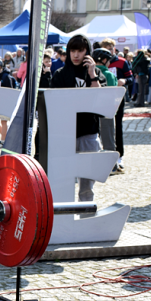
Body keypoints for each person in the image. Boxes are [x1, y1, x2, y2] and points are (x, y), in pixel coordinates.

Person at [50, 34, 106, 202]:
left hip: (88, 130)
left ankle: (86, 216)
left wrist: (92, 74)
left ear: (87, 52)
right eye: (73, 51)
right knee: (63, 178)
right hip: (65, 132)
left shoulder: (95, 73)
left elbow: (101, 98)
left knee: (87, 181)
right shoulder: (60, 74)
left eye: (80, 51)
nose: (76, 55)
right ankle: (64, 214)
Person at [100, 38, 133, 172]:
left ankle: (119, 156)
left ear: (114, 49)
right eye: (106, 49)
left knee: (117, 126)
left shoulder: (122, 62)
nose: (108, 51)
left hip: (117, 97)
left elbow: (131, 78)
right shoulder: (99, 63)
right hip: (102, 98)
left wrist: (124, 80)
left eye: (110, 48)